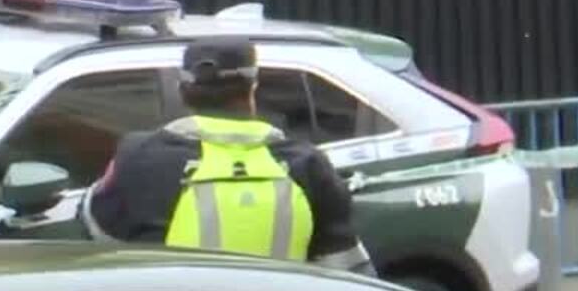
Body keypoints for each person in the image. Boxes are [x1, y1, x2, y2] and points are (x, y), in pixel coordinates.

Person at [84, 36, 374, 272]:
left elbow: (98, 233)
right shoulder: (306, 163)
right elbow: (347, 269)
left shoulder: (138, 155)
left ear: (183, 90)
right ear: (253, 87)